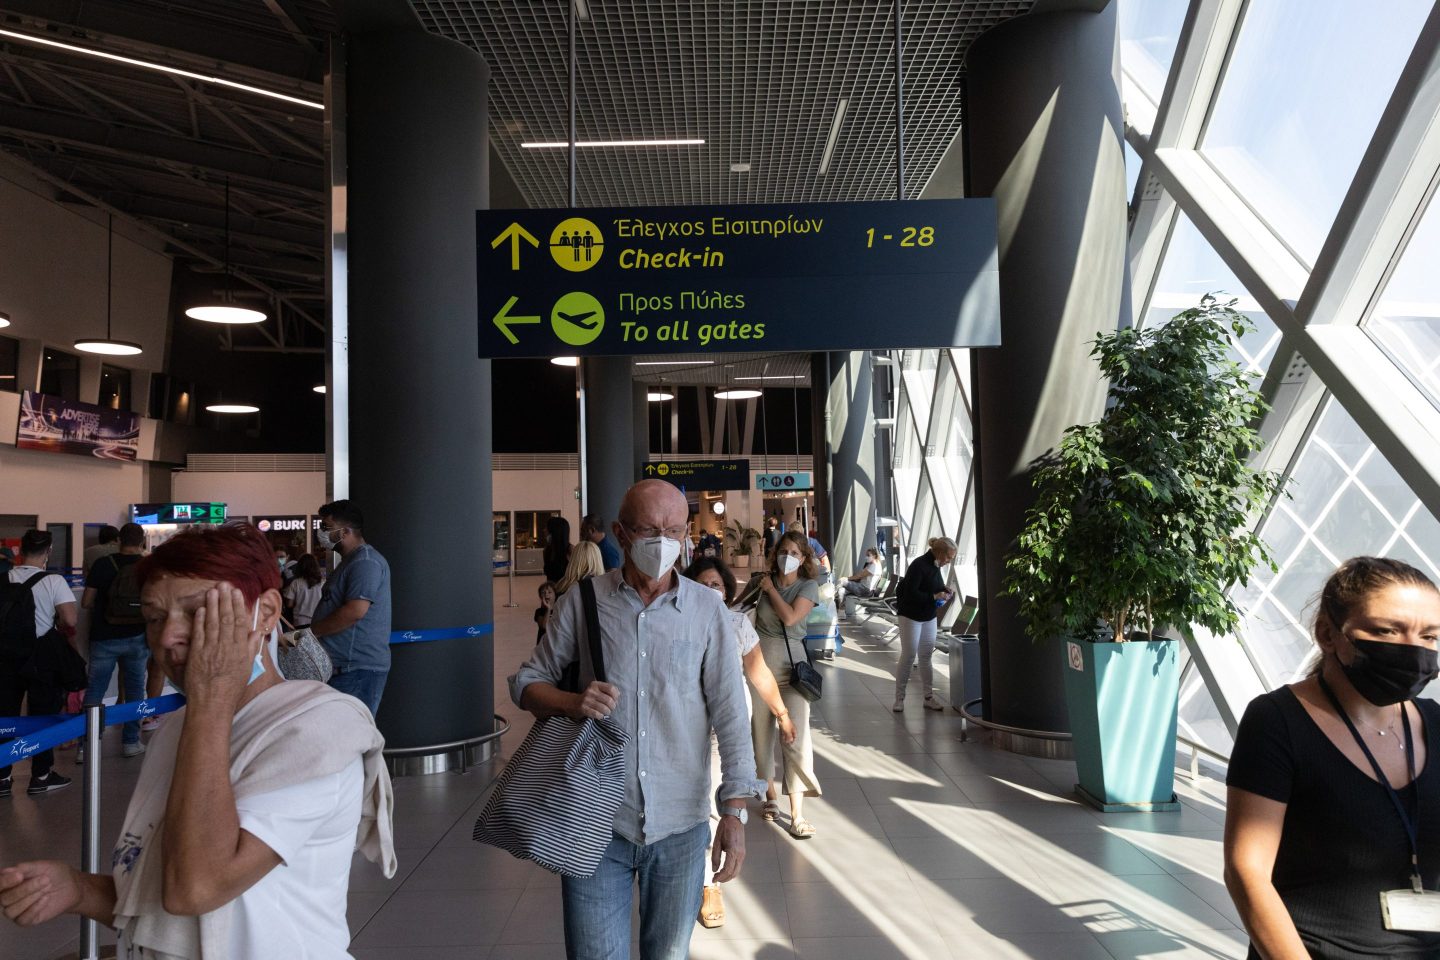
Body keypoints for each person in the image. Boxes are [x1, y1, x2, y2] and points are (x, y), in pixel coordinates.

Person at [0, 523, 395, 956]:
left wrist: (210, 700)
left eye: (198, 612)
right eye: (153, 618)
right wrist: (77, 890)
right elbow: (173, 903)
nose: (168, 636)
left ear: (265, 613)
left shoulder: (317, 728)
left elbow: (197, 889)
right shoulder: (179, 728)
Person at [511, 479, 761, 960]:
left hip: (681, 824)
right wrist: (571, 701)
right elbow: (526, 683)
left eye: (673, 529)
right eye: (650, 529)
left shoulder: (707, 610)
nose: (662, 541)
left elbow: (731, 713)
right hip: (596, 821)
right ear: (622, 535)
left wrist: (734, 811)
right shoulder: (583, 603)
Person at [1225, 557, 1440, 959]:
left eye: (1429, 636)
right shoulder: (1277, 720)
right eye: (1387, 630)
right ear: (1328, 634)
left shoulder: (1435, 723)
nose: (1413, 650)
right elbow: (1246, 871)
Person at [683, 556, 795, 928]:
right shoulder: (677, 621)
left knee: (716, 802)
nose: (711, 590)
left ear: (728, 591)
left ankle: (708, 884)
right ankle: (693, 875)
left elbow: (759, 673)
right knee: (692, 802)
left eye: (717, 585)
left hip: (724, 731)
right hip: (684, 728)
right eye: (703, 583)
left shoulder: (737, 625)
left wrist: (781, 713)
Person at [751, 530, 823, 839]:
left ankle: (797, 814)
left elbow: (792, 619)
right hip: (758, 669)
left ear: (804, 558)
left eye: (795, 552)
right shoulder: (762, 581)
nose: (788, 556)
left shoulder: (808, 586)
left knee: (795, 737)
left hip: (792, 672)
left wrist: (771, 590)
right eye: (784, 550)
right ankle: (770, 798)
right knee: (761, 735)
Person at [0, 530, 78, 797]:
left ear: (20, 549)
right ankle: (41, 776)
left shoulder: (3, 578)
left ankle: (2, 776)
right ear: (48, 551)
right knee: (42, 715)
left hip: (6, 658)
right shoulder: (54, 580)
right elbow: (70, 620)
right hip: (41, 659)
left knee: (6, 716)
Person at [310, 500, 392, 717]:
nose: (321, 533)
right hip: (341, 668)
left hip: (356, 670)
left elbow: (355, 611)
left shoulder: (365, 562)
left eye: (326, 528)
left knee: (348, 739)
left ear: (345, 531)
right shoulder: (348, 562)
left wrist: (311, 633)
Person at [80, 522, 150, 760]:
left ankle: (87, 745)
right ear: (142, 542)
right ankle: (131, 742)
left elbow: (87, 602)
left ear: (119, 540)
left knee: (95, 691)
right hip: (137, 636)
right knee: (134, 691)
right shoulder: (148, 567)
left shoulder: (102, 564)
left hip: (104, 636)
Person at [893, 537, 956, 713]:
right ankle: (899, 698)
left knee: (926, 656)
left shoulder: (936, 566)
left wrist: (944, 589)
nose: (949, 562)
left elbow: (933, 585)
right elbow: (911, 593)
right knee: (908, 655)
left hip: (928, 616)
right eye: (949, 557)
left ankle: (928, 697)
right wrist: (935, 597)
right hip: (910, 616)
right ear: (940, 553)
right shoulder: (918, 565)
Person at [837, 547, 884, 619]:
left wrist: (846, 578)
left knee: (842, 581)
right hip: (861, 587)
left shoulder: (874, 566)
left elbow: (860, 576)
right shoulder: (870, 564)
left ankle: (831, 598)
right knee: (841, 591)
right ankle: (841, 613)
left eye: (868, 555)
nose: (866, 557)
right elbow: (860, 576)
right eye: (866, 555)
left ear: (874, 556)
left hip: (865, 590)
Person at [283, 553, 325, 627]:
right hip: (318, 620)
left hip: (300, 621)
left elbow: (289, 604)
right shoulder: (322, 582)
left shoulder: (296, 583)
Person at [542, 516, 572, 584]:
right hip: (553, 591)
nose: (544, 530)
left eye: (546, 528)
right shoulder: (547, 550)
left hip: (568, 591)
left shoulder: (570, 550)